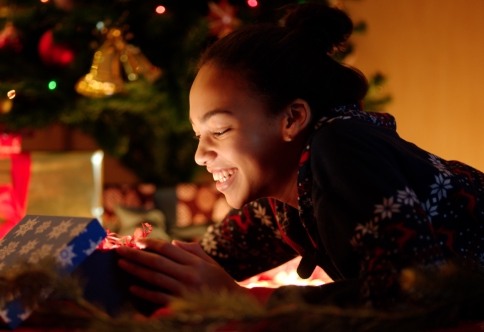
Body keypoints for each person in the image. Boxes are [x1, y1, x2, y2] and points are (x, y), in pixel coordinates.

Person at [116, 2, 484, 309]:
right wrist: (119, 260)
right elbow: (205, 261)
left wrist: (240, 299)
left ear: (292, 118)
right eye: (199, 135)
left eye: (221, 130)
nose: (200, 155)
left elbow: (416, 292)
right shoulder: (282, 199)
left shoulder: (341, 146)